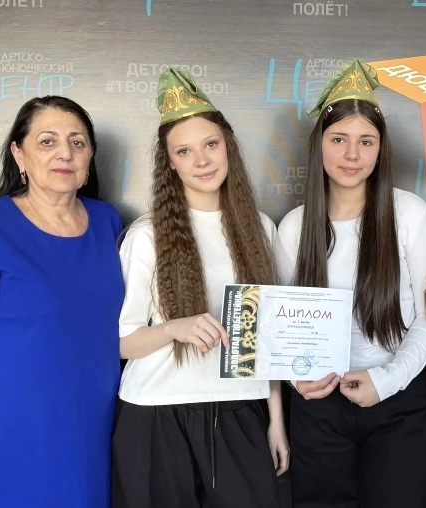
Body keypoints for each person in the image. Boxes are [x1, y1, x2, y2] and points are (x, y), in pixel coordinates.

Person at [111, 68, 288, 508]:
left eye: (211, 144)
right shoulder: (146, 236)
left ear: (228, 146)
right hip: (156, 413)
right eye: (184, 151)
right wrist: (175, 328)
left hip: (242, 410)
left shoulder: (261, 229)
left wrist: (276, 420)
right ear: (170, 162)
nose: (202, 160)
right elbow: (121, 342)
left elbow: (269, 339)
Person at [0, 96, 124, 508]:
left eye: (77, 142)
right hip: (7, 435)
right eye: (47, 141)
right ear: (19, 154)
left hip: (92, 434)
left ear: (90, 157)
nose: (65, 153)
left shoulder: (108, 222)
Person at [275, 58, 426, 508]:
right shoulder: (294, 227)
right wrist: (296, 379)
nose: (352, 154)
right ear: (319, 145)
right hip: (318, 408)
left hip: (400, 400)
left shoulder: (409, 214)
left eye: (366, 141)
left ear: (380, 149)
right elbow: (281, 329)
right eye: (339, 140)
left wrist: (388, 379)